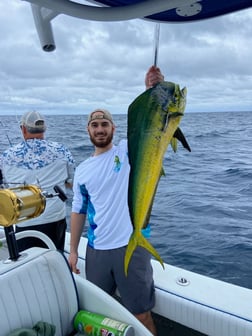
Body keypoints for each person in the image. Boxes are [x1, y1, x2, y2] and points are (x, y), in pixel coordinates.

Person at [68, 66, 164, 335]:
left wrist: (153, 91)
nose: (100, 129)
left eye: (105, 124)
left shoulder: (128, 149)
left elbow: (152, 127)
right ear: (88, 130)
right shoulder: (83, 170)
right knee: (102, 314)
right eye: (95, 125)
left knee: (141, 313)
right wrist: (74, 251)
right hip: (97, 251)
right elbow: (78, 211)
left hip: (131, 246)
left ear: (114, 127)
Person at [0, 111, 75, 252]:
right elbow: (71, 182)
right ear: (44, 129)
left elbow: (5, 186)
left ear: (23, 129)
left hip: (23, 220)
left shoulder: (5, 156)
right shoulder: (62, 151)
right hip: (55, 219)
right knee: (55, 257)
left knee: (28, 265)